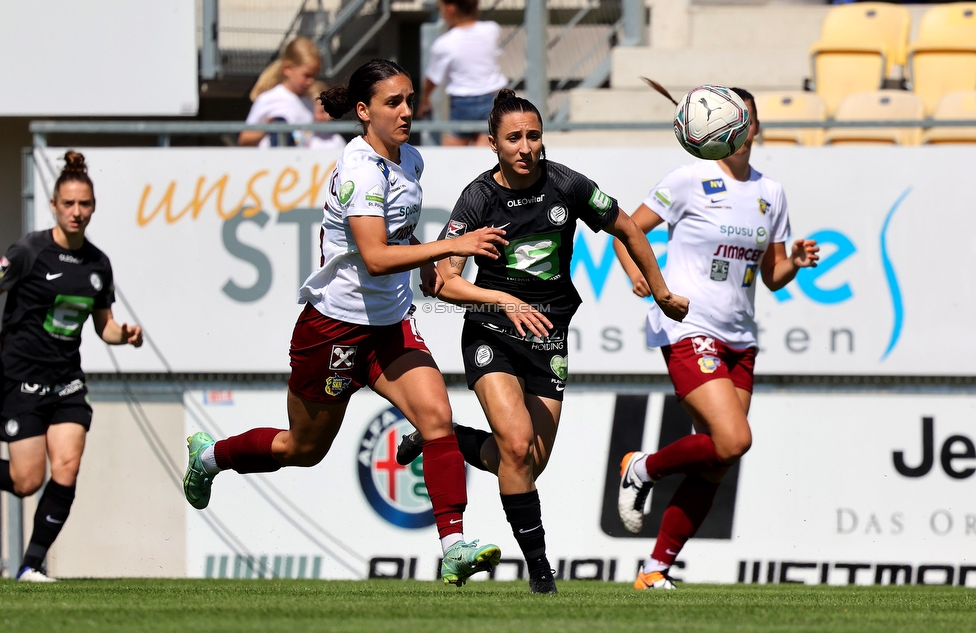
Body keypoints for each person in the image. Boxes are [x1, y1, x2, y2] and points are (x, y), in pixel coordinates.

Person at [184, 59, 507, 587]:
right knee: (302, 449)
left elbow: (400, 233)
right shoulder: (358, 169)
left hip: (389, 325)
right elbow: (376, 257)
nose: (407, 111)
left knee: (437, 419)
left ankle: (453, 547)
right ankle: (211, 457)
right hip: (334, 327)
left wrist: (427, 263)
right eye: (393, 103)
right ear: (364, 111)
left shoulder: (411, 161)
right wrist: (453, 246)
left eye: (409, 99)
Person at [396, 89, 689, 593]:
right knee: (514, 446)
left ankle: (437, 438)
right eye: (514, 138)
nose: (526, 146)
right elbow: (444, 281)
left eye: (533, 135)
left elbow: (628, 229)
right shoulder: (479, 198)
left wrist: (660, 292)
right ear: (493, 144)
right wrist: (500, 301)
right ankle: (541, 574)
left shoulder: (567, 185)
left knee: (529, 461)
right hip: (492, 331)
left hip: (550, 333)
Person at [613, 88, 820, 590]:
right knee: (735, 439)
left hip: (740, 338)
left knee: (720, 458)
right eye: (735, 118)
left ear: (753, 127)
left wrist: (795, 261)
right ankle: (642, 467)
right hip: (689, 327)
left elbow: (772, 276)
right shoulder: (688, 180)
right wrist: (640, 275)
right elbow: (624, 230)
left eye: (749, 119)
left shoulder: (772, 192)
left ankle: (654, 571)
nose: (742, 127)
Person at [0, 151, 143, 582]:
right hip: (20, 379)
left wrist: (126, 334)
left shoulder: (98, 264)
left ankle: (30, 565)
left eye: (84, 205)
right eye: (69, 204)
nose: (76, 212)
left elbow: (105, 329)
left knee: (66, 466)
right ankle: (29, 564)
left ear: (93, 207)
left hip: (66, 383)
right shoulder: (28, 251)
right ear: (54, 206)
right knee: (26, 481)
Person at [417, 0, 507, 146]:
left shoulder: (444, 43)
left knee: (452, 160)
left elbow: (432, 79)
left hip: (462, 104)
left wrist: (424, 101)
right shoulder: (492, 30)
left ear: (450, 9)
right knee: (486, 159)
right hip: (491, 100)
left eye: (442, 7)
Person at [238, 37, 320, 148]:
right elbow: (244, 139)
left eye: (314, 76)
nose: (311, 81)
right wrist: (268, 127)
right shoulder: (269, 98)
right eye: (307, 75)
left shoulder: (309, 104)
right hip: (272, 164)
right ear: (287, 68)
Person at [306, 81, 347, 150]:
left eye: (329, 110)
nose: (327, 115)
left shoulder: (337, 140)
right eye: (321, 111)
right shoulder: (303, 140)